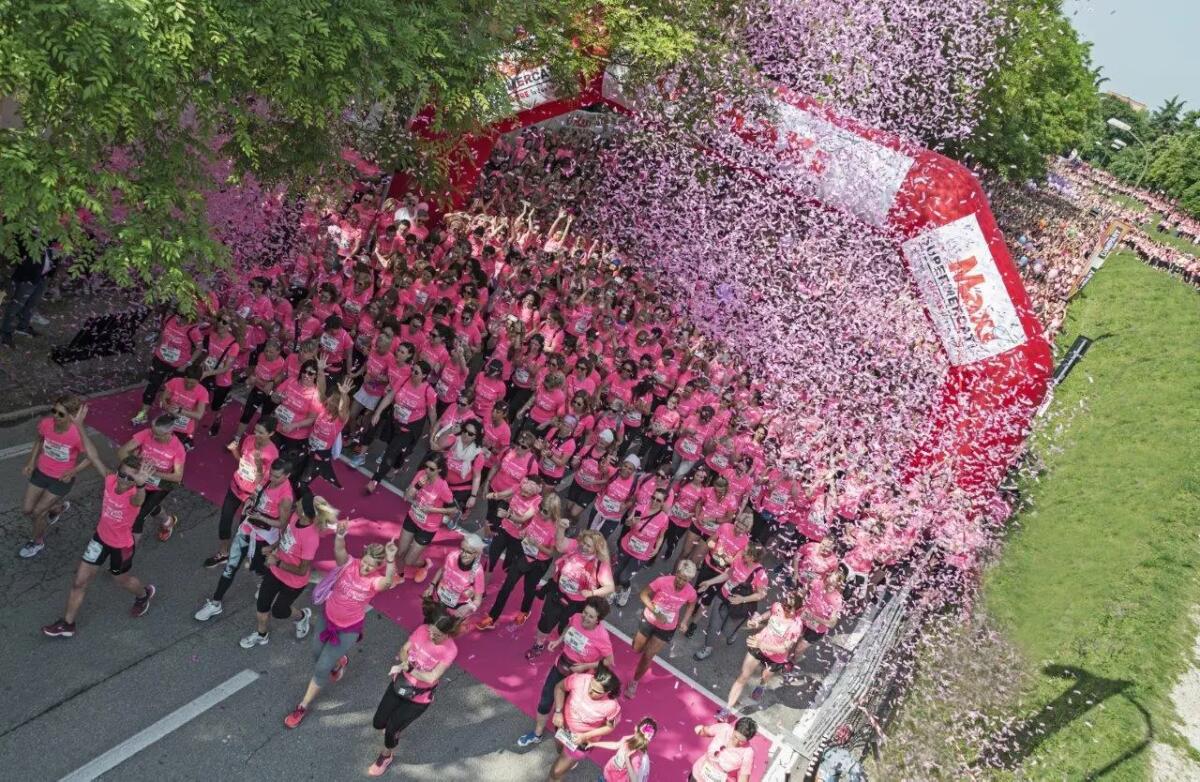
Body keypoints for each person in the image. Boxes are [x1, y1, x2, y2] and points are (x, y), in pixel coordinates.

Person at [284, 528, 399, 729]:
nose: (365, 567)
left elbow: (388, 581)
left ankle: (302, 706)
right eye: (364, 562)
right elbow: (339, 550)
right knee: (316, 653)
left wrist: (390, 559)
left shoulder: (373, 582)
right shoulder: (349, 564)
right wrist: (340, 535)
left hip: (348, 630)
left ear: (377, 567)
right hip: (327, 618)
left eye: (371, 566)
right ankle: (339, 662)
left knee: (321, 668)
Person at [41, 453, 157, 638]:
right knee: (79, 582)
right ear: (117, 472)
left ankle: (144, 595)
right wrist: (79, 426)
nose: (124, 480)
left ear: (136, 481)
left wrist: (141, 484)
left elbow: (139, 500)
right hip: (100, 539)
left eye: (131, 478)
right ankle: (67, 624)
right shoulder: (110, 480)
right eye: (122, 474)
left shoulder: (134, 495)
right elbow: (94, 456)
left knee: (122, 580)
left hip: (121, 547)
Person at [197, 461, 295, 633]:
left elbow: (282, 523)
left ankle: (265, 581)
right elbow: (255, 495)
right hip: (247, 529)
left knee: (258, 567)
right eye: (271, 473)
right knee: (230, 566)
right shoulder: (266, 478)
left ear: (287, 476)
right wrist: (250, 504)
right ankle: (215, 603)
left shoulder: (286, 497)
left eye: (276, 476)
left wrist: (262, 518)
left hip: (264, 537)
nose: (271, 478)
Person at [232, 493, 337, 643]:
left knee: (279, 611)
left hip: (293, 582)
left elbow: (302, 570)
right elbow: (286, 536)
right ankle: (262, 635)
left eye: (300, 502)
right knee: (262, 603)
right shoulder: (295, 516)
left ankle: (302, 616)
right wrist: (273, 547)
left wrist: (277, 562)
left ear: (304, 513)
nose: (298, 501)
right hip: (276, 571)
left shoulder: (310, 539)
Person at [367, 613, 460, 776]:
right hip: (401, 683)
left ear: (447, 634)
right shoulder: (422, 630)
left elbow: (432, 677)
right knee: (378, 723)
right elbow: (404, 649)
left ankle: (386, 755)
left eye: (437, 635)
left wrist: (409, 668)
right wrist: (404, 662)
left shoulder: (450, 650)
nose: (431, 636)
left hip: (419, 698)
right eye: (431, 631)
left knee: (391, 730)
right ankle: (394, 728)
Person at [517, 596, 615, 748]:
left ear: (598, 620)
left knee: (569, 712)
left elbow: (609, 661)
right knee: (546, 700)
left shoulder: (602, 637)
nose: (585, 618)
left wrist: (585, 666)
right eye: (585, 612)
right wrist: (559, 640)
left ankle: (566, 745)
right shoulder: (576, 618)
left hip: (580, 677)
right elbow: (570, 628)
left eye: (590, 616)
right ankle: (537, 733)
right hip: (561, 665)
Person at [476, 495, 569, 631]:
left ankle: (525, 612)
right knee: (507, 586)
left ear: (554, 512)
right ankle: (492, 617)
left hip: (539, 563)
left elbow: (552, 553)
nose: (541, 512)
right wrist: (524, 532)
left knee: (529, 589)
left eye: (545, 511)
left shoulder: (556, 528)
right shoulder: (536, 515)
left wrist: (537, 545)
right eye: (541, 508)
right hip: (523, 555)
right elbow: (529, 528)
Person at [716, 592, 808, 719]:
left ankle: (762, 684)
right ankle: (727, 709)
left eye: (789, 608)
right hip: (759, 645)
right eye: (784, 604)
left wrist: (762, 645)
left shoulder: (796, 626)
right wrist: (757, 620)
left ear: (797, 610)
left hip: (776, 656)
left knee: (765, 675)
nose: (784, 608)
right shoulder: (778, 606)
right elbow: (770, 613)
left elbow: (784, 649)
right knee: (743, 676)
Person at [19, 396, 90, 558]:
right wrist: (31, 462)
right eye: (54, 411)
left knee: (38, 512)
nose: (55, 416)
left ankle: (37, 542)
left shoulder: (77, 435)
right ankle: (57, 509)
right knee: (27, 509)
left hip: (60, 480)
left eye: (61, 414)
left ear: (72, 416)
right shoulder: (46, 424)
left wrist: (73, 471)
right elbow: (39, 440)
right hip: (41, 472)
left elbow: (90, 458)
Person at [526, 529, 614, 659]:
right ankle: (539, 644)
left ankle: (564, 643)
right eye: (584, 542)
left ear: (596, 549)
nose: (584, 547)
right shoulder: (575, 547)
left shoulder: (600, 564)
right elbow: (560, 545)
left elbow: (610, 587)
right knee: (545, 621)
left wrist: (591, 593)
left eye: (588, 545)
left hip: (577, 604)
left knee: (568, 625)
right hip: (557, 593)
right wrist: (561, 528)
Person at [204, 416, 279, 568]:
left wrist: (258, 466)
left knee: (243, 529)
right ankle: (224, 553)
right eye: (256, 429)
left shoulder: (272, 454)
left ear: (271, 434)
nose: (256, 434)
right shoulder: (249, 439)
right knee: (225, 520)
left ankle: (238, 555)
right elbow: (242, 462)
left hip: (251, 496)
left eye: (261, 432)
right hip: (236, 486)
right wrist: (234, 451)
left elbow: (265, 481)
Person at [623, 559, 698, 698]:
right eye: (679, 578)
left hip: (667, 628)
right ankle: (642, 642)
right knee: (636, 648)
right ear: (676, 573)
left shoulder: (690, 592)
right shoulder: (662, 581)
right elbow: (643, 595)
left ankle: (634, 682)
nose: (681, 582)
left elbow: (691, 604)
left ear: (690, 580)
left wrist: (685, 621)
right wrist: (656, 612)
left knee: (648, 656)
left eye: (685, 580)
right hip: (650, 619)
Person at [691, 543, 768, 660]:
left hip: (739, 606)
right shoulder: (739, 560)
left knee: (726, 631)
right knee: (713, 625)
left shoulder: (760, 574)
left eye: (746, 552)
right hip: (723, 596)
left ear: (752, 557)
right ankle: (707, 648)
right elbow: (728, 574)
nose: (742, 553)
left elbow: (761, 594)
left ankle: (732, 634)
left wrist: (742, 599)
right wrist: (709, 582)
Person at [116, 414, 187, 544]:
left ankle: (127, 550)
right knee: (147, 506)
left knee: (139, 515)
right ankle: (168, 521)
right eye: (152, 432)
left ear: (169, 433)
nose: (153, 436)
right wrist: (137, 466)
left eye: (157, 435)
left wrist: (153, 473)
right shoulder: (146, 433)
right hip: (140, 480)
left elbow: (177, 477)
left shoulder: (178, 449)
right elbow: (122, 451)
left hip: (159, 486)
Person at [547, 665, 622, 782]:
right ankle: (567, 764)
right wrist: (558, 711)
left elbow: (609, 726)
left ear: (608, 691)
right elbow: (559, 687)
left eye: (596, 691)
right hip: (562, 728)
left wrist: (584, 736)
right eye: (591, 685)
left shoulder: (611, 705)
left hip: (581, 742)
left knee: (555, 772)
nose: (590, 691)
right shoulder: (580, 680)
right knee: (560, 753)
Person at [398, 455, 458, 582]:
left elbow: (453, 510)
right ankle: (399, 574)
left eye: (432, 469)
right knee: (400, 553)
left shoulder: (442, 487)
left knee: (409, 560)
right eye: (426, 466)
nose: (427, 470)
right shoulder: (421, 475)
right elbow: (407, 496)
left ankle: (425, 564)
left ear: (439, 470)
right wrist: (418, 485)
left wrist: (432, 510)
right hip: (412, 518)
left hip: (428, 528)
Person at [612, 488, 670, 606]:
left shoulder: (664, 518)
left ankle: (625, 589)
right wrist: (631, 522)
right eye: (653, 498)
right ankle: (612, 592)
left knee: (624, 577)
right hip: (627, 545)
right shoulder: (640, 508)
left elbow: (661, 537)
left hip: (642, 554)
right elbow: (628, 523)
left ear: (663, 503)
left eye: (658, 500)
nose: (654, 501)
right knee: (617, 572)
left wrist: (657, 549)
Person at [1, 233, 56, 347]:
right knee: (16, 305)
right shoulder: (28, 236)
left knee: (32, 303)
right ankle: (5, 332)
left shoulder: (51, 235)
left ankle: (23, 327)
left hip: (42, 276)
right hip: (28, 277)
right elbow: (20, 250)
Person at [422, 533, 486, 622]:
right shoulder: (452, 556)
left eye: (468, 552)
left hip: (455, 608)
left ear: (476, 554)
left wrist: (469, 607)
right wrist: (431, 586)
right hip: (439, 597)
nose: (463, 554)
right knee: (429, 620)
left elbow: (477, 600)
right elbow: (441, 570)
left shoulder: (478, 571)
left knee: (442, 629)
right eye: (462, 549)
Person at [160, 362, 211, 451]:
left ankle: (188, 440)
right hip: (167, 421)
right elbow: (163, 399)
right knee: (161, 445)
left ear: (199, 381)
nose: (188, 385)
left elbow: (199, 415)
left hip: (183, 427)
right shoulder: (175, 381)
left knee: (173, 450)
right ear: (184, 377)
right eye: (186, 382)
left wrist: (180, 410)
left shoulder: (203, 392)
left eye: (192, 384)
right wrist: (167, 406)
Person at [690, 717, 757, 782]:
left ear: (748, 740)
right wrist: (701, 731)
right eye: (735, 736)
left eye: (741, 741)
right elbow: (707, 731)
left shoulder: (748, 752)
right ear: (734, 729)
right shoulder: (724, 728)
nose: (736, 742)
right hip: (698, 774)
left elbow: (743, 776)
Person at [590, 717, 657, 782]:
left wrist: (627, 759)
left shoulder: (637, 755)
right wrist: (594, 744)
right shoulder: (627, 739)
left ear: (636, 728)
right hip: (607, 773)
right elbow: (616, 745)